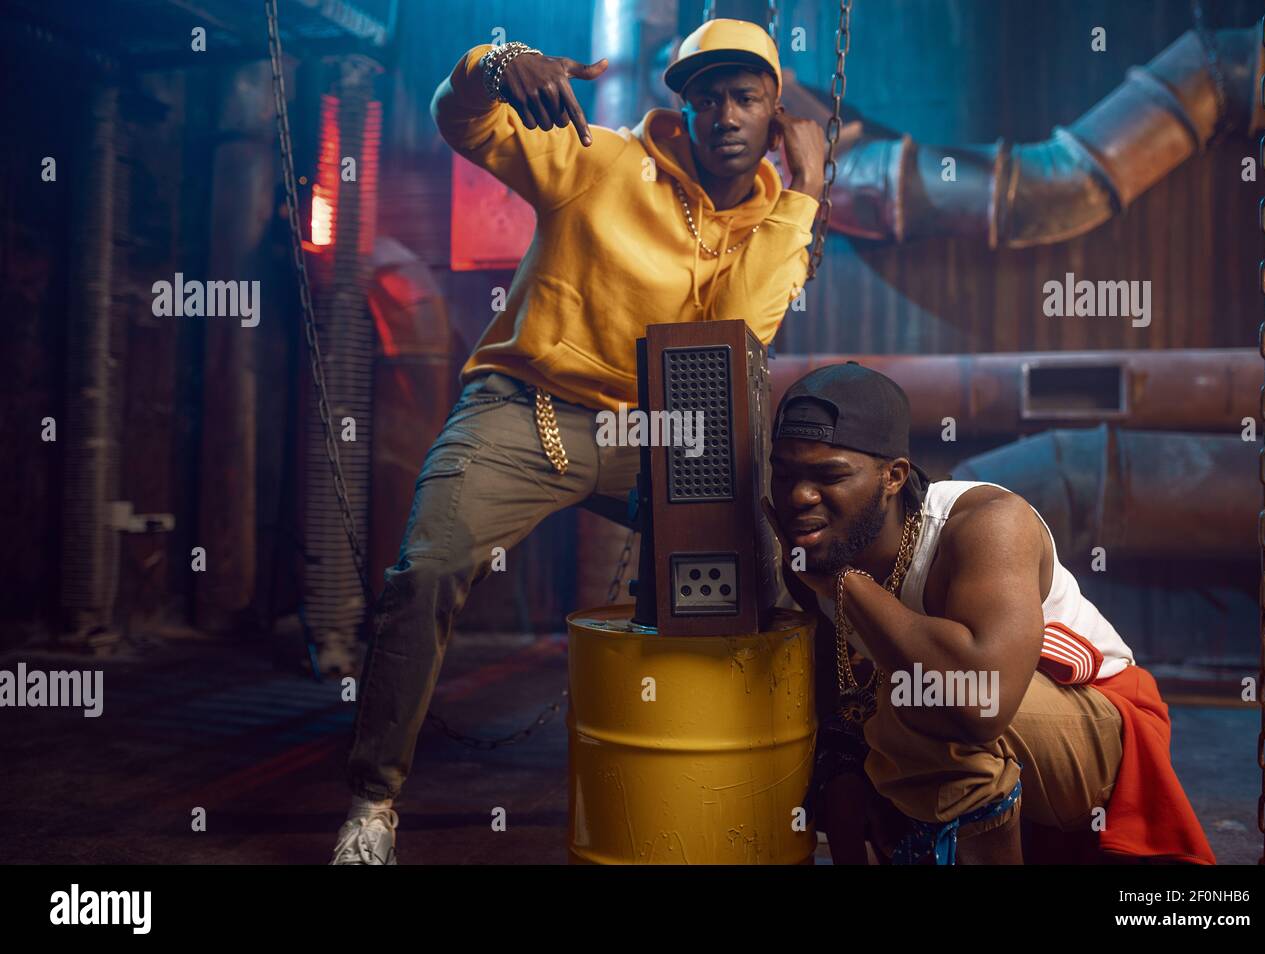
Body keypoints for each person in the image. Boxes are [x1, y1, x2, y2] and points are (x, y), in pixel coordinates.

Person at [330, 18, 827, 864]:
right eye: (708, 97)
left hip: (655, 436)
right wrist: (490, 64)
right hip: (524, 409)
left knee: (775, 568)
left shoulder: (776, 222)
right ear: (686, 108)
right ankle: (372, 804)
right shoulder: (600, 159)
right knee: (428, 567)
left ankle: (791, 794)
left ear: (776, 112)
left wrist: (807, 193)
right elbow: (464, 122)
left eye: (746, 97)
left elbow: (745, 326)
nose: (725, 115)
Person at [763, 362, 1216, 865]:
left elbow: (979, 702)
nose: (800, 497)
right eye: (785, 474)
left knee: (917, 698)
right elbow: (843, 700)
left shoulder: (987, 525)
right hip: (985, 742)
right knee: (854, 735)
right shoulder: (817, 557)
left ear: (893, 476)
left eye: (829, 476)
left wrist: (843, 583)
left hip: (1100, 731)